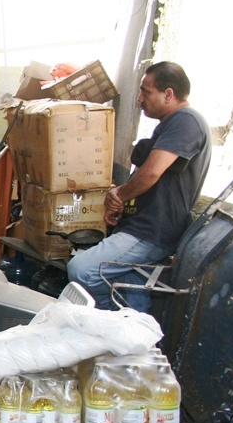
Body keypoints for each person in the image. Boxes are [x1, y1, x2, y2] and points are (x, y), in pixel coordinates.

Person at [67, 61, 211, 313]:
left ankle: (112, 332)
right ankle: (137, 342)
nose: (139, 99)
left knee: (83, 269)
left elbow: (151, 173)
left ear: (168, 94)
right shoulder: (170, 124)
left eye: (146, 91)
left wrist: (118, 196)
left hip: (150, 232)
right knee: (127, 287)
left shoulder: (186, 121)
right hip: (141, 227)